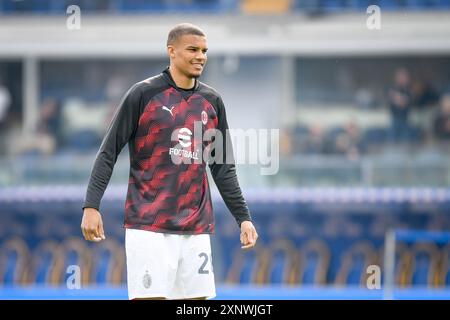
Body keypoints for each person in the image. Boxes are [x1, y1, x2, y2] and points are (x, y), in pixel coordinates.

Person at [81, 23, 258, 300]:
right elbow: (108, 152)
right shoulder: (142, 94)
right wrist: (91, 205)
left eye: (204, 50)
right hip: (148, 227)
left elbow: (223, 167)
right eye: (193, 49)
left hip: (195, 228)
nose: (200, 56)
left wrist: (243, 218)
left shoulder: (212, 101)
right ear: (171, 51)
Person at [387, 68, 413, 142]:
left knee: (405, 141)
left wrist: (397, 98)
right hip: (394, 119)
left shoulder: (409, 90)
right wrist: (400, 99)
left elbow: (406, 102)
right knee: (392, 141)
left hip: (405, 119)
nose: (401, 79)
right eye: (400, 77)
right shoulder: (392, 88)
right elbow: (389, 99)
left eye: (403, 77)